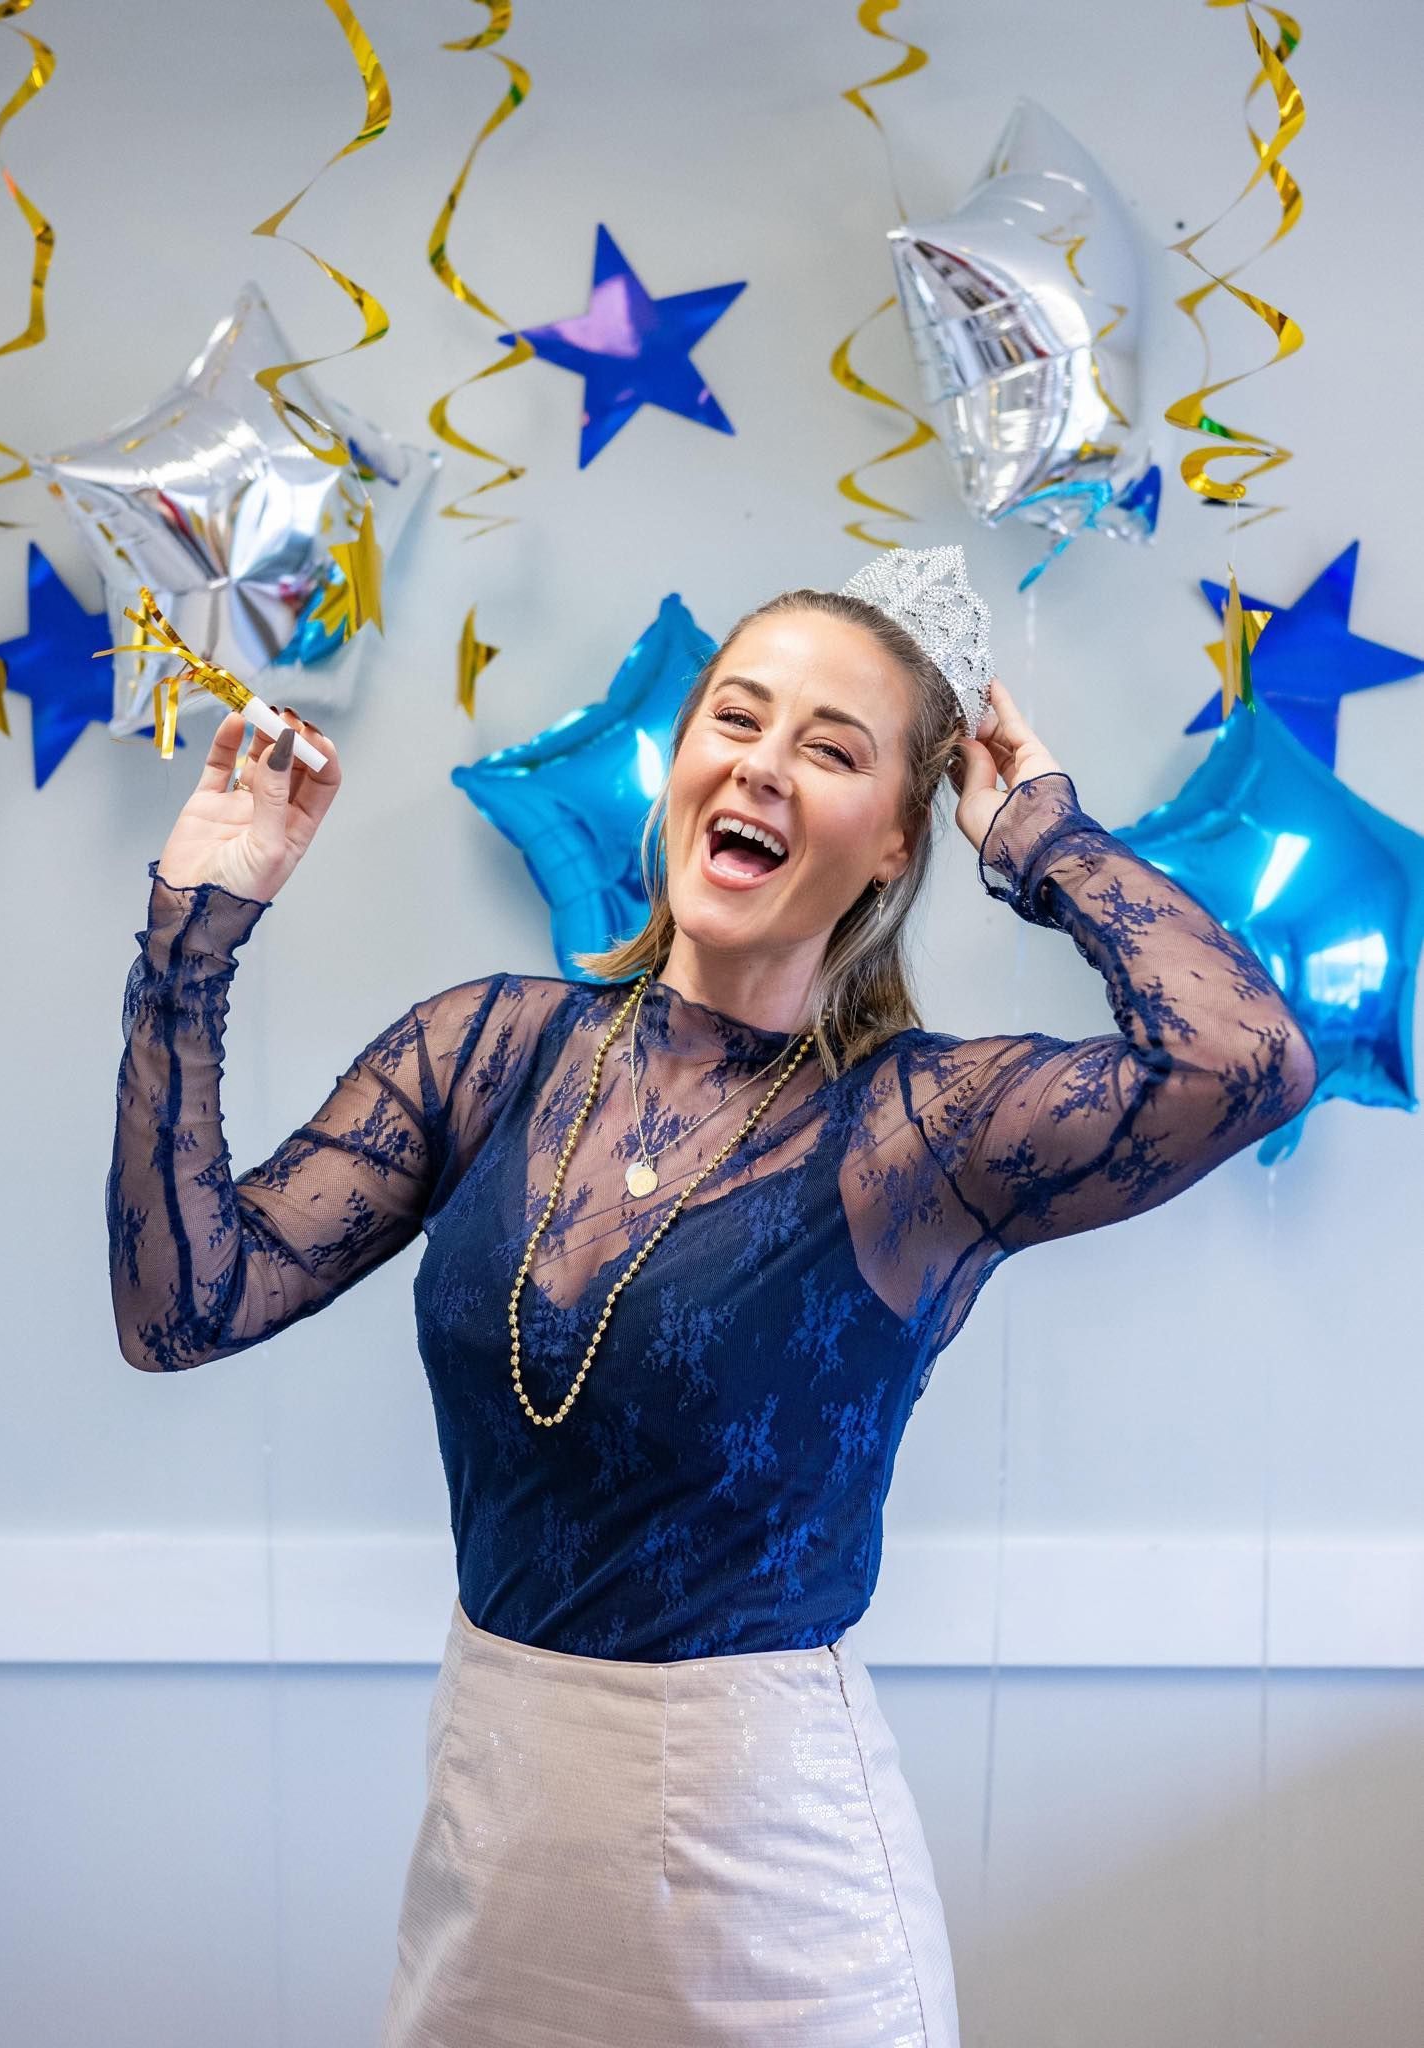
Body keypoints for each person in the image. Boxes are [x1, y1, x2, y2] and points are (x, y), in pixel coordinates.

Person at [107, 545, 1317, 2048]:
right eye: (737, 721)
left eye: (832, 749)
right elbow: (179, 1309)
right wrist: (192, 942)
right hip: (492, 1870)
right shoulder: (485, 1051)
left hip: (781, 1920)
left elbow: (1246, 1061)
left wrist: (1042, 835)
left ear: (892, 842)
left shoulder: (916, 1135)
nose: (764, 766)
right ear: (684, 764)